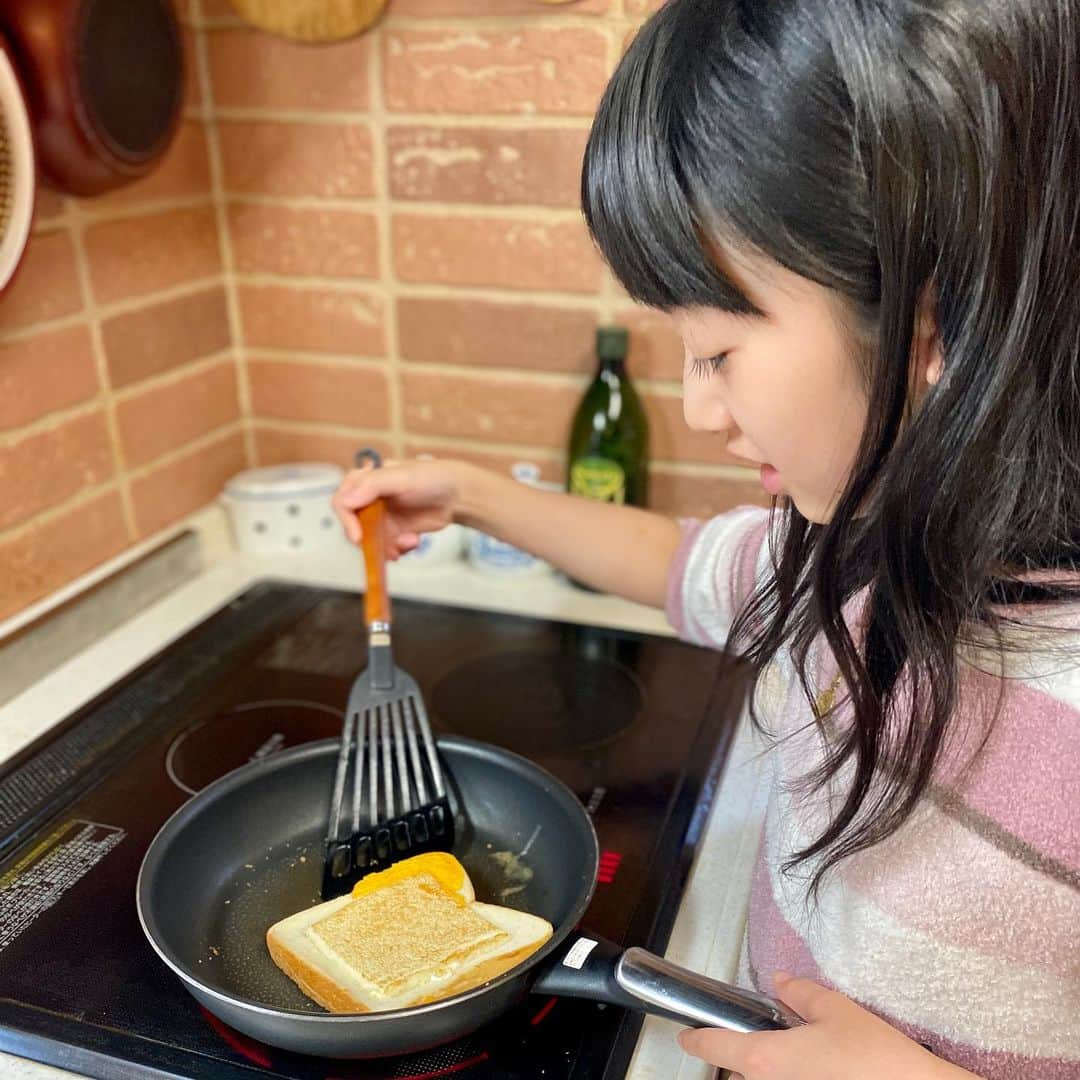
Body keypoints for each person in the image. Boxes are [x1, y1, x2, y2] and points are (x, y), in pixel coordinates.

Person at [333, 1, 1080, 1076]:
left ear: (925, 322)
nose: (696, 407)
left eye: (718, 351)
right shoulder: (854, 548)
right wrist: (472, 494)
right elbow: (679, 566)